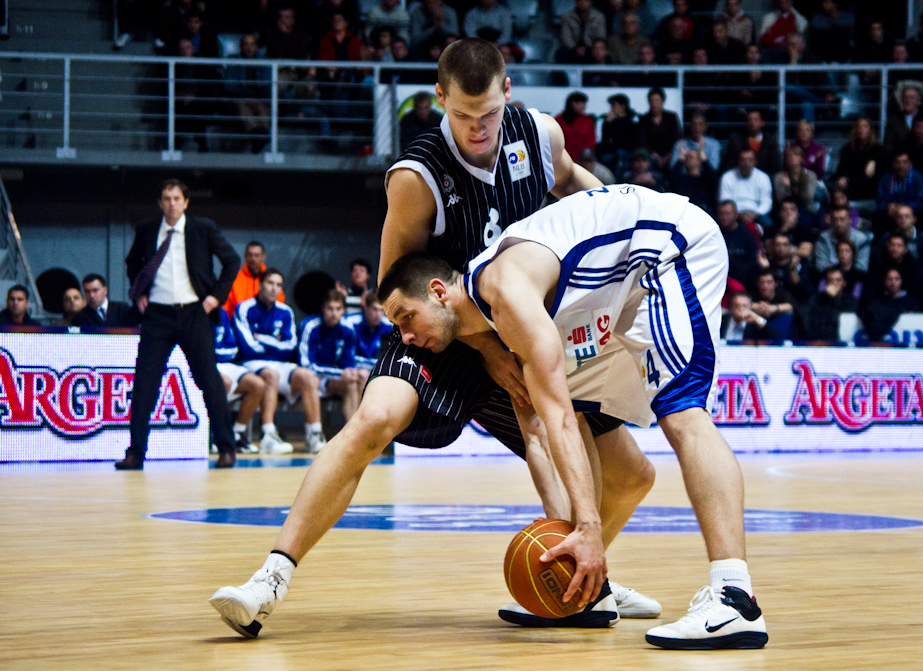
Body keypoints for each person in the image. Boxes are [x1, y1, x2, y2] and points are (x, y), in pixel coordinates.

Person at [209, 39, 659, 638]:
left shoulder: (541, 136)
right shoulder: (416, 177)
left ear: (508, 93)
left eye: (489, 114)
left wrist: (643, 230)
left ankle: (578, 578)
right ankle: (268, 578)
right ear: (439, 98)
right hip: (439, 332)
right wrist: (485, 347)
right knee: (373, 421)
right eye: (463, 115)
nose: (478, 129)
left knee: (631, 474)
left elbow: (588, 191)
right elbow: (398, 290)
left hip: (517, 331)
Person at [378, 184, 767, 650]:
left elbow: (557, 419)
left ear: (439, 292)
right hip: (615, 287)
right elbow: (543, 434)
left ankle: (734, 598)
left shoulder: (506, 291)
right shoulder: (501, 331)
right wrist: (568, 546)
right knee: (575, 409)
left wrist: (589, 528)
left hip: (666, 246)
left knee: (682, 411)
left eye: (405, 317)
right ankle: (588, 590)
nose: (404, 336)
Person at [118, 179, 240, 470]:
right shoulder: (147, 230)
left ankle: (226, 448)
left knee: (209, 381)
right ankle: (135, 453)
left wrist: (215, 298)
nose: (171, 203)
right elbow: (132, 264)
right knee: (145, 383)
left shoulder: (202, 228)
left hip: (193, 312)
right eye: (166, 198)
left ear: (186, 202)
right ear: (160, 203)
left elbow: (232, 261)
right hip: (157, 315)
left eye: (176, 198)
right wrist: (139, 294)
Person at [233, 268, 325, 454]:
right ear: (259, 286)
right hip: (252, 363)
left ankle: (314, 435)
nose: (274, 289)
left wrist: (263, 339)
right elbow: (248, 347)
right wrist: (275, 343)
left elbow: (290, 346)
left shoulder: (286, 311)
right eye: (270, 283)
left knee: (308, 376)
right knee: (270, 374)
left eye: (278, 285)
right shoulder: (244, 308)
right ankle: (268, 435)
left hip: (279, 363)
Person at [298, 289, 362, 427]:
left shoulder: (348, 329)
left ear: (343, 310)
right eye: (330, 309)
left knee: (353, 381)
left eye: (338, 309)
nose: (334, 313)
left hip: (332, 379)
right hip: (311, 378)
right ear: (323, 309)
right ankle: (314, 433)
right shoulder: (310, 326)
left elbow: (348, 362)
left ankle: (353, 433)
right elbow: (307, 365)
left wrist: (348, 372)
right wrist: (340, 373)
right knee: (311, 379)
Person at [214, 307, 265, 454]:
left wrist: (212, 351)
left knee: (257, 384)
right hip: (202, 363)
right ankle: (212, 435)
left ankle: (237, 433)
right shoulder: (194, 312)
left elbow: (232, 349)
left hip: (224, 363)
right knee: (224, 383)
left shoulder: (221, 312)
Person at [342, 290, 394, 389]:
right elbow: (347, 358)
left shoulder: (389, 326)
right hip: (349, 370)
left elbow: (387, 361)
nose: (378, 315)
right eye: (374, 309)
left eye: (381, 310)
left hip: (372, 370)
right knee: (362, 375)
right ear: (365, 307)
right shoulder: (350, 323)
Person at [223, 242, 284, 316]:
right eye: (250, 255)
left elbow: (279, 303)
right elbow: (225, 306)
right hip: (238, 322)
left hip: (266, 324)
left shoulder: (271, 279)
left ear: (263, 257)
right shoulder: (235, 277)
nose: (253, 258)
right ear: (245, 256)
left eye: (257, 255)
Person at [859, 268, 920, 341]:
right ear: (885, 281)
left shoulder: (911, 303)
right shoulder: (876, 303)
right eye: (890, 279)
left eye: (896, 279)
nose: (893, 282)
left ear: (901, 281)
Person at [716, 200, 764, 290]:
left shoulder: (747, 234)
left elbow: (753, 260)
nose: (724, 217)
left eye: (727, 213)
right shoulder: (715, 234)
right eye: (721, 214)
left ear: (736, 215)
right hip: (721, 279)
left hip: (744, 280)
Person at [718, 149, 773, 228]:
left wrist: (754, 214)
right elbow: (724, 200)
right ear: (738, 161)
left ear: (755, 162)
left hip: (756, 214)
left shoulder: (763, 177)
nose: (746, 163)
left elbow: (767, 202)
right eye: (743, 160)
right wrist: (738, 214)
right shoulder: (727, 177)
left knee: (768, 223)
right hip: (734, 214)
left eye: (750, 160)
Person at [834, 117, 883, 201]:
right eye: (859, 127)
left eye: (865, 127)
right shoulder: (848, 149)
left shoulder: (877, 149)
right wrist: (841, 177)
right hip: (852, 185)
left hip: (869, 186)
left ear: (870, 130)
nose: (861, 129)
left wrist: (874, 162)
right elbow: (842, 168)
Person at [813, 205, 873, 273]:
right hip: (830, 278)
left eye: (842, 219)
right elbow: (821, 267)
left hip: (854, 278)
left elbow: (862, 268)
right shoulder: (823, 237)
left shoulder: (861, 239)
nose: (839, 223)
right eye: (835, 219)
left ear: (850, 220)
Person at [803, 267, 856, 340]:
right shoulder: (817, 299)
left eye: (838, 280)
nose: (834, 283)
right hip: (820, 340)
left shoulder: (850, 299)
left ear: (844, 283)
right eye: (830, 280)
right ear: (826, 283)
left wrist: (834, 298)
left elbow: (846, 317)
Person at [722, 110, 780, 176]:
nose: (752, 122)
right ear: (746, 123)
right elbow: (729, 163)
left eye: (756, 120)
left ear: (762, 123)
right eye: (750, 119)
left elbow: (775, 166)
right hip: (739, 177)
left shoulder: (770, 141)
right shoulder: (735, 140)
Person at [637, 88, 679, 172]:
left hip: (670, 154)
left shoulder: (671, 117)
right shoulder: (643, 119)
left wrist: (668, 156)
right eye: (652, 101)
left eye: (657, 100)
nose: (654, 104)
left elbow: (677, 138)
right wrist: (655, 156)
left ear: (663, 102)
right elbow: (643, 141)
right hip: (651, 155)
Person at [555, 92, 597, 163]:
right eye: (581, 103)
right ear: (573, 104)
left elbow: (590, 140)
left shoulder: (587, 121)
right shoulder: (559, 120)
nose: (584, 106)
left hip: (583, 160)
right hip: (562, 159)